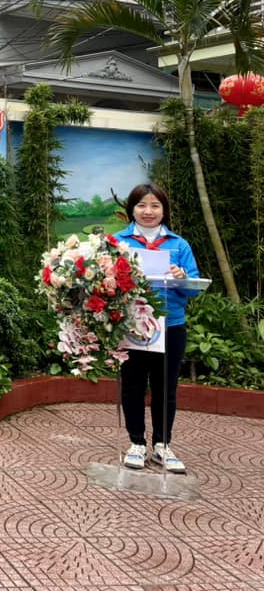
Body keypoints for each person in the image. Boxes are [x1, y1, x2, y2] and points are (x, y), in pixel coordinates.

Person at [116, 183, 200, 473]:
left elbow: (194, 290)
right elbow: (105, 283)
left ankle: (163, 445)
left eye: (155, 205)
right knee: (133, 386)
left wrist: (182, 276)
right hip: (132, 326)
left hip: (171, 325)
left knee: (166, 388)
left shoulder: (179, 245)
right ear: (132, 209)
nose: (148, 211)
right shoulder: (117, 242)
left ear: (164, 210)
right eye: (141, 205)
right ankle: (137, 443)